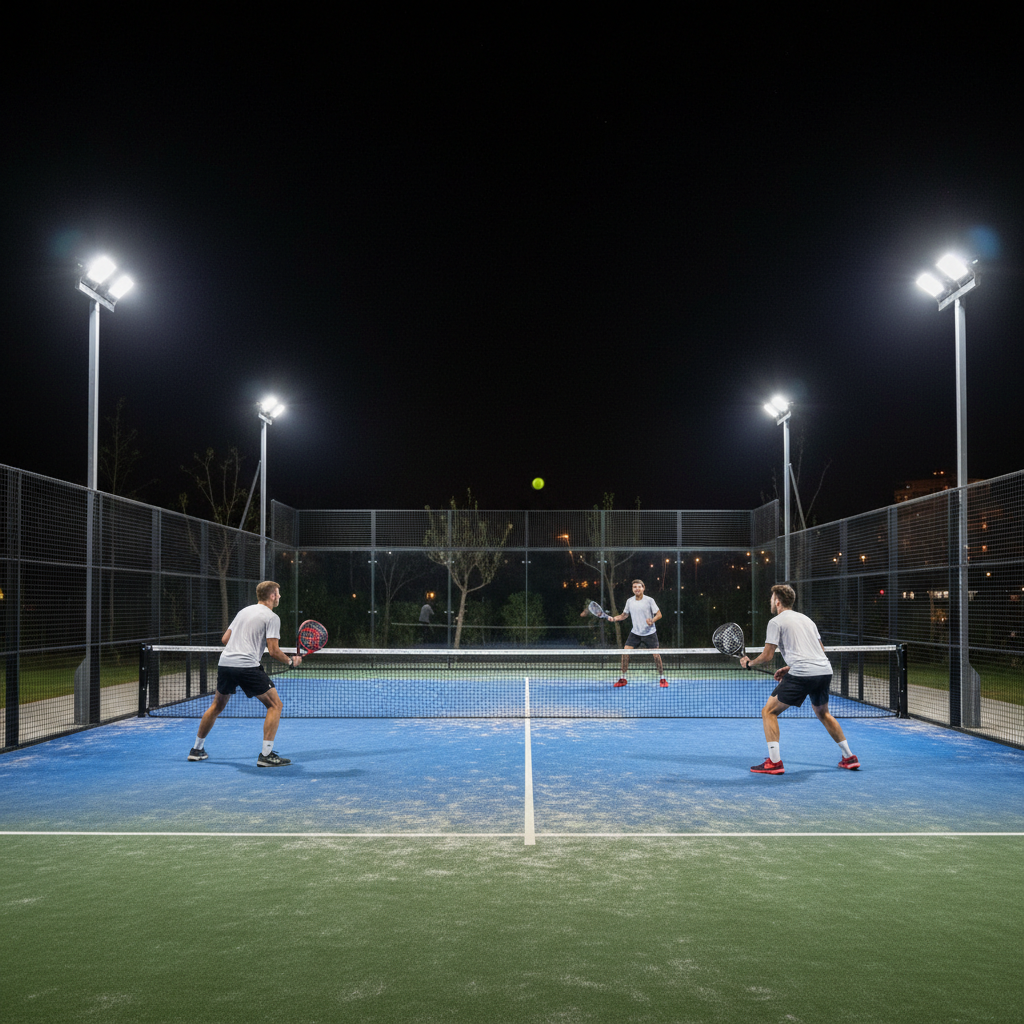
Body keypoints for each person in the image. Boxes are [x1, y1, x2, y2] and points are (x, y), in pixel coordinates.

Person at [741, 583, 860, 774]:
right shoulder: (807, 620)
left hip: (803, 673)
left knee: (768, 712)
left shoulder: (776, 622)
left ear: (777, 601)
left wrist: (749, 663)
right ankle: (849, 757)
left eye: (772, 599)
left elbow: (768, 656)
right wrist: (790, 668)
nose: (770, 602)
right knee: (823, 713)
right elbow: (819, 650)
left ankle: (774, 763)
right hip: (824, 671)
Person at [187, 580, 301, 767]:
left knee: (216, 705)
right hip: (247, 665)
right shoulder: (272, 617)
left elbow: (225, 639)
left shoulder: (243, 612)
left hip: (225, 663)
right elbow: (273, 651)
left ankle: (196, 750)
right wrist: (291, 661)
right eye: (278, 593)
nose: (279, 596)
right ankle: (266, 755)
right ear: (272, 595)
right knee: (275, 705)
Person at [606, 579, 667, 687]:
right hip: (635, 633)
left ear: (643, 588)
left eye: (639, 586)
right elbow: (624, 615)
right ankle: (623, 679)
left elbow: (659, 614)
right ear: (632, 589)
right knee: (625, 654)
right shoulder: (630, 601)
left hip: (650, 633)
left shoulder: (649, 600)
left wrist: (652, 621)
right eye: (635, 587)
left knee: (656, 656)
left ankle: (662, 679)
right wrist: (614, 619)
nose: (637, 588)